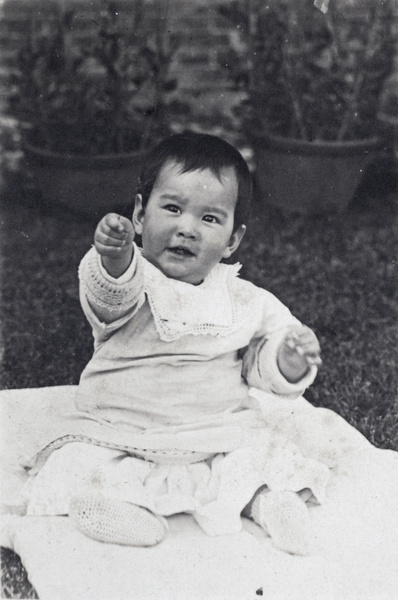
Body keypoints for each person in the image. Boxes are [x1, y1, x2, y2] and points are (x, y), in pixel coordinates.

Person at [22, 132, 327, 555]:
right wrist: (114, 259)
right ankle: (123, 509)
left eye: (210, 219)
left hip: (215, 429)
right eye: (172, 208)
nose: (187, 228)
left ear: (232, 240)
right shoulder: (134, 279)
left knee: (260, 455)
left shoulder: (247, 300)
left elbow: (262, 363)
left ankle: (270, 503)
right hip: (123, 428)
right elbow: (110, 298)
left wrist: (289, 358)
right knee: (83, 464)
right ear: (140, 215)